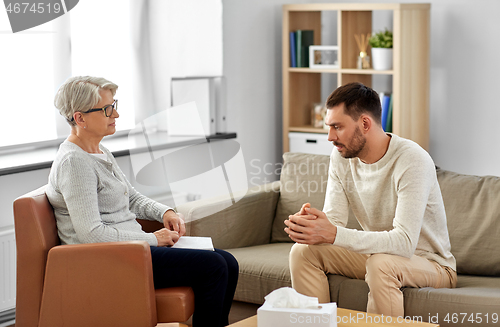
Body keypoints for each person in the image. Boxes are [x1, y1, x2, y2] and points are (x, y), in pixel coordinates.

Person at [46, 76, 238, 327]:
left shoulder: (99, 151)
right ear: (80, 118)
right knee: (214, 266)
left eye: (114, 104)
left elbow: (131, 196)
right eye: (106, 109)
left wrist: (165, 212)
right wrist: (152, 239)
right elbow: (91, 234)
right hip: (110, 260)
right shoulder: (75, 163)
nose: (116, 113)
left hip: (132, 249)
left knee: (228, 263)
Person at [284, 82, 456, 318]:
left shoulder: (412, 160)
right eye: (329, 127)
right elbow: (334, 220)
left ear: (365, 123)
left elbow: (404, 242)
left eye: (337, 127)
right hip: (378, 254)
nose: (330, 137)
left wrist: (332, 233)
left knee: (381, 265)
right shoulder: (341, 156)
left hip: (431, 264)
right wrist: (314, 225)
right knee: (303, 252)